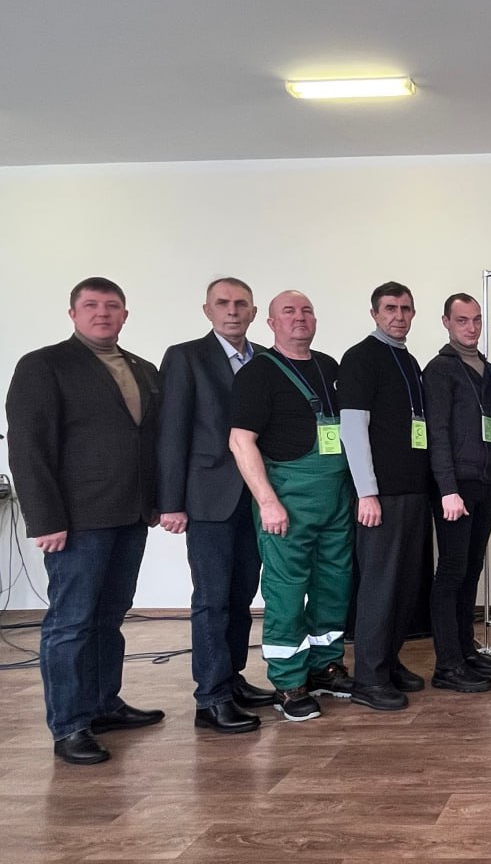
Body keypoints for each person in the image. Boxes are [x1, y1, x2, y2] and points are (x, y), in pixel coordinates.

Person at [6, 277, 163, 764]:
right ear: (72, 313)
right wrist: (44, 518)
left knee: (109, 617)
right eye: (91, 305)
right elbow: (28, 447)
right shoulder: (44, 365)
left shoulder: (143, 368)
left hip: (131, 513)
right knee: (71, 622)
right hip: (76, 520)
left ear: (125, 315)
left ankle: (102, 704)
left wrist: (159, 501)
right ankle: (70, 725)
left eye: (112, 306)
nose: (102, 313)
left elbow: (149, 441)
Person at [228, 290, 355, 722]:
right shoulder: (258, 373)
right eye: (289, 311)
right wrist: (267, 502)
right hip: (288, 501)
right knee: (286, 591)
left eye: (306, 311)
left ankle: (325, 666)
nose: (299, 318)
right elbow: (240, 441)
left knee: (334, 584)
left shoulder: (329, 367)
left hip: (335, 497)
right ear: (271, 323)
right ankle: (288, 682)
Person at [157, 278, 275, 735]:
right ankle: (211, 698)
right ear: (207, 310)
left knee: (242, 594)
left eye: (241, 304)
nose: (232, 311)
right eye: (222, 304)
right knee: (212, 599)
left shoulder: (264, 360)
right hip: (208, 498)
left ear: (253, 312)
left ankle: (232, 678)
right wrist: (171, 502)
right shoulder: (186, 357)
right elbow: (172, 432)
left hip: (256, 496)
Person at [337, 282, 432, 711]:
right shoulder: (361, 358)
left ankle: (388, 661)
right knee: (379, 587)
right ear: (374, 313)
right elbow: (353, 429)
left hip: (413, 491)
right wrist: (367, 493)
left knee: (406, 587)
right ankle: (369, 679)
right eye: (390, 308)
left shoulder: (408, 360)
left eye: (406, 309)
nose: (399, 316)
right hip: (382, 496)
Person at [424, 293, 491, 693]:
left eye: (476, 319)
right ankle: (446, 665)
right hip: (455, 488)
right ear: (446, 322)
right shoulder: (439, 371)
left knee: (471, 569)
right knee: (451, 571)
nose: (471, 327)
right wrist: (447, 489)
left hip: (484, 483)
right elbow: (437, 433)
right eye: (462, 320)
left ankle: (465, 649)